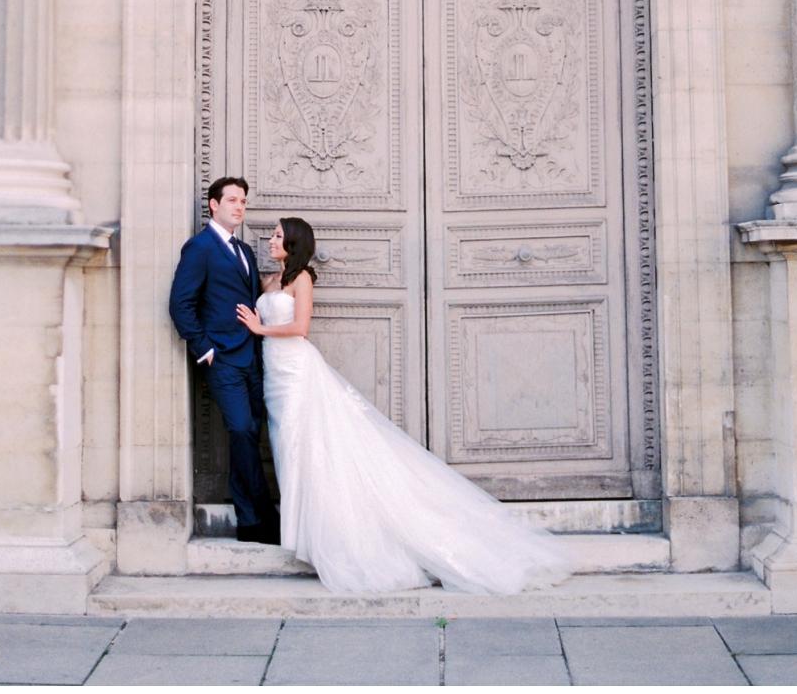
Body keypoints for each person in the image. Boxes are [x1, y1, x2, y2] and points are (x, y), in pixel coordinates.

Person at [236, 216, 573, 595]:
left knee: (310, 447)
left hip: (298, 371)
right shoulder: (268, 282)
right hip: (274, 376)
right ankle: (300, 532)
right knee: (288, 449)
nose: (270, 240)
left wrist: (260, 328)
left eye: (278, 235)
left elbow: (300, 328)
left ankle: (325, 536)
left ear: (294, 242)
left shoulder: (302, 280)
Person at [168, 176, 280, 544]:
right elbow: (180, 304)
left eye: (243, 201)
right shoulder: (199, 248)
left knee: (250, 433)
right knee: (242, 429)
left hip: (251, 357)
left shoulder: (245, 252)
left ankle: (250, 519)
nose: (239, 207)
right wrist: (206, 350)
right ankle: (260, 518)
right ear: (213, 205)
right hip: (222, 359)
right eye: (232, 200)